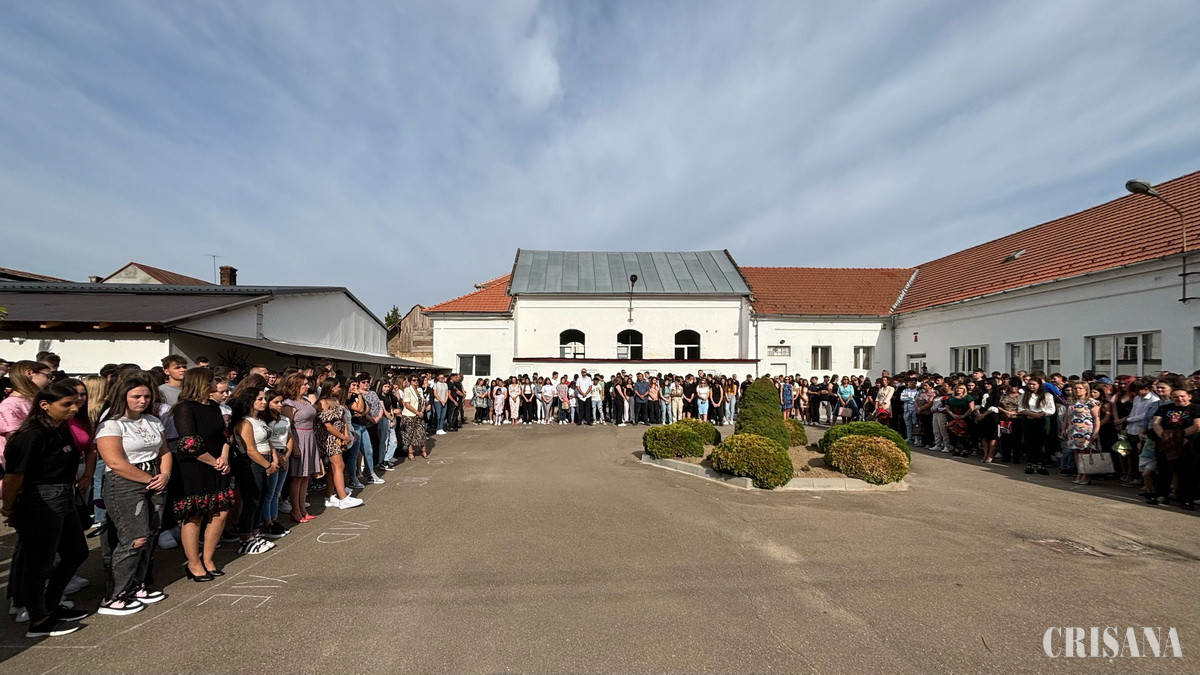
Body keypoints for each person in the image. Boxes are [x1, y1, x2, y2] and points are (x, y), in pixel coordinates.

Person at [2, 383, 91, 637]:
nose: (74, 408)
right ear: (44, 405)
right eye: (66, 404)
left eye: (75, 403)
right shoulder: (30, 436)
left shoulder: (60, 429)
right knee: (39, 562)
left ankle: (51, 605)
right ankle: (38, 619)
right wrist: (8, 506)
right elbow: (14, 477)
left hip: (64, 495)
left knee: (76, 552)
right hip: (39, 500)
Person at [95, 377, 172, 615]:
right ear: (123, 397)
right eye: (136, 396)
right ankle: (114, 595)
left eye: (146, 396)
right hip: (125, 483)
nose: (142, 401)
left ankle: (137, 585)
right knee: (133, 538)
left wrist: (164, 474)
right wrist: (148, 479)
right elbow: (115, 462)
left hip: (155, 477)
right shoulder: (111, 425)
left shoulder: (153, 421)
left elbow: (164, 451)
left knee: (150, 534)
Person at [228, 388, 277, 553]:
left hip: (266, 460)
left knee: (261, 499)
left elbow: (268, 441)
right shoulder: (244, 422)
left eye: (264, 399)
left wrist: (274, 458)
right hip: (252, 464)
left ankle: (255, 533)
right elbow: (249, 449)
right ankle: (245, 537)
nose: (264, 402)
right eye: (259, 399)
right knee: (252, 501)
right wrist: (267, 465)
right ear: (250, 401)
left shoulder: (260, 419)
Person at [314, 377, 362, 509]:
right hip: (329, 438)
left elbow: (342, 419)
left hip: (340, 436)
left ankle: (329, 496)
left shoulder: (335, 400)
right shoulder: (322, 402)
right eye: (338, 386)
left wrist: (345, 435)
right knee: (339, 465)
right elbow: (327, 425)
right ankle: (343, 497)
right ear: (331, 387)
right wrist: (341, 436)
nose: (340, 389)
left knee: (333, 468)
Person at [280, 373, 320, 524]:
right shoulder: (288, 404)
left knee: (305, 476)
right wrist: (295, 447)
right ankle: (295, 510)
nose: (307, 386)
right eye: (304, 384)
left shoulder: (305, 400)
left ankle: (303, 508)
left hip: (309, 437)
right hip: (298, 438)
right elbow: (287, 427)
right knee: (297, 477)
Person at [1150, 389, 1200, 510]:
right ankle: (1162, 495)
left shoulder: (1196, 408)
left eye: (1182, 396)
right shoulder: (1164, 408)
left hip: (1188, 444)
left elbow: (1197, 426)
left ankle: (1187, 499)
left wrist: (1180, 435)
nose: (1179, 399)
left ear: (1189, 396)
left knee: (1187, 472)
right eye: (1175, 397)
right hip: (1166, 444)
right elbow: (1156, 423)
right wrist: (1164, 436)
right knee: (1163, 470)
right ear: (1171, 398)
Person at [259, 390, 292, 539]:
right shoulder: (264, 420)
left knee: (277, 492)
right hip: (272, 455)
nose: (280, 405)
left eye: (281, 402)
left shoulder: (285, 419)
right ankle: (267, 522)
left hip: (284, 453)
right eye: (276, 402)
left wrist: (286, 456)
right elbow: (267, 440)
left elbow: (289, 438)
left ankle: (274, 519)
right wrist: (277, 458)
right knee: (269, 492)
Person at [1063, 381, 1102, 485]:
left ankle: (1086, 475)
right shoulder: (1072, 401)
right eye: (1075, 388)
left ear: (1086, 390)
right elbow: (1067, 416)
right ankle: (1079, 473)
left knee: (1085, 453)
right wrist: (1064, 428)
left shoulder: (1091, 402)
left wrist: (1096, 432)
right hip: (1073, 430)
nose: (1077, 390)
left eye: (1080, 388)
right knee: (1077, 453)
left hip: (1086, 431)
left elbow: (1096, 418)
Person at [1017, 377, 1056, 475]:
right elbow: (1020, 408)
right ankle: (1031, 464)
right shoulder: (1025, 395)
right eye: (1030, 384)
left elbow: (1051, 409)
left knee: (1042, 442)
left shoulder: (1047, 395)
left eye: (1034, 384)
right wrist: (1030, 414)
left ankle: (1041, 464)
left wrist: (1040, 414)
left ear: (1039, 385)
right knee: (1030, 442)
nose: (1031, 386)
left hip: (1042, 419)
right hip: (1028, 419)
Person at [400, 375, 428, 459]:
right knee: (409, 434)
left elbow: (423, 401)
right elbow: (407, 404)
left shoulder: (420, 390)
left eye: (417, 380)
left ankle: (423, 451)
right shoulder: (407, 390)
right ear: (410, 381)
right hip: (409, 415)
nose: (416, 382)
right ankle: (410, 453)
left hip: (419, 414)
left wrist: (422, 411)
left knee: (421, 433)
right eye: (414, 380)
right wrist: (417, 412)